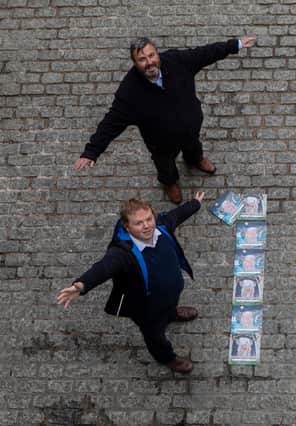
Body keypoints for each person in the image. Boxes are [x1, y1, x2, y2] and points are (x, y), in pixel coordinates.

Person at [74, 36, 256, 204]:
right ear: (135, 63)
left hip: (191, 128)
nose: (149, 62)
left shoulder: (177, 61)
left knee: (193, 146)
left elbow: (205, 53)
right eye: (142, 59)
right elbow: (111, 123)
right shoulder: (129, 92)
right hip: (161, 144)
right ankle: (169, 183)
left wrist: (234, 45)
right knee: (165, 166)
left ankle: (195, 160)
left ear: (157, 53)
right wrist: (92, 152)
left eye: (151, 55)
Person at [56, 191, 206, 373]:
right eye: (138, 223)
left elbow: (176, 216)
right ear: (127, 227)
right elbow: (104, 268)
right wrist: (81, 284)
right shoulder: (122, 252)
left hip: (170, 292)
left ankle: (171, 314)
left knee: (169, 306)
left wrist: (195, 204)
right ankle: (166, 357)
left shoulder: (161, 226)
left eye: (149, 219)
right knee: (155, 335)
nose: (146, 226)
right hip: (146, 306)